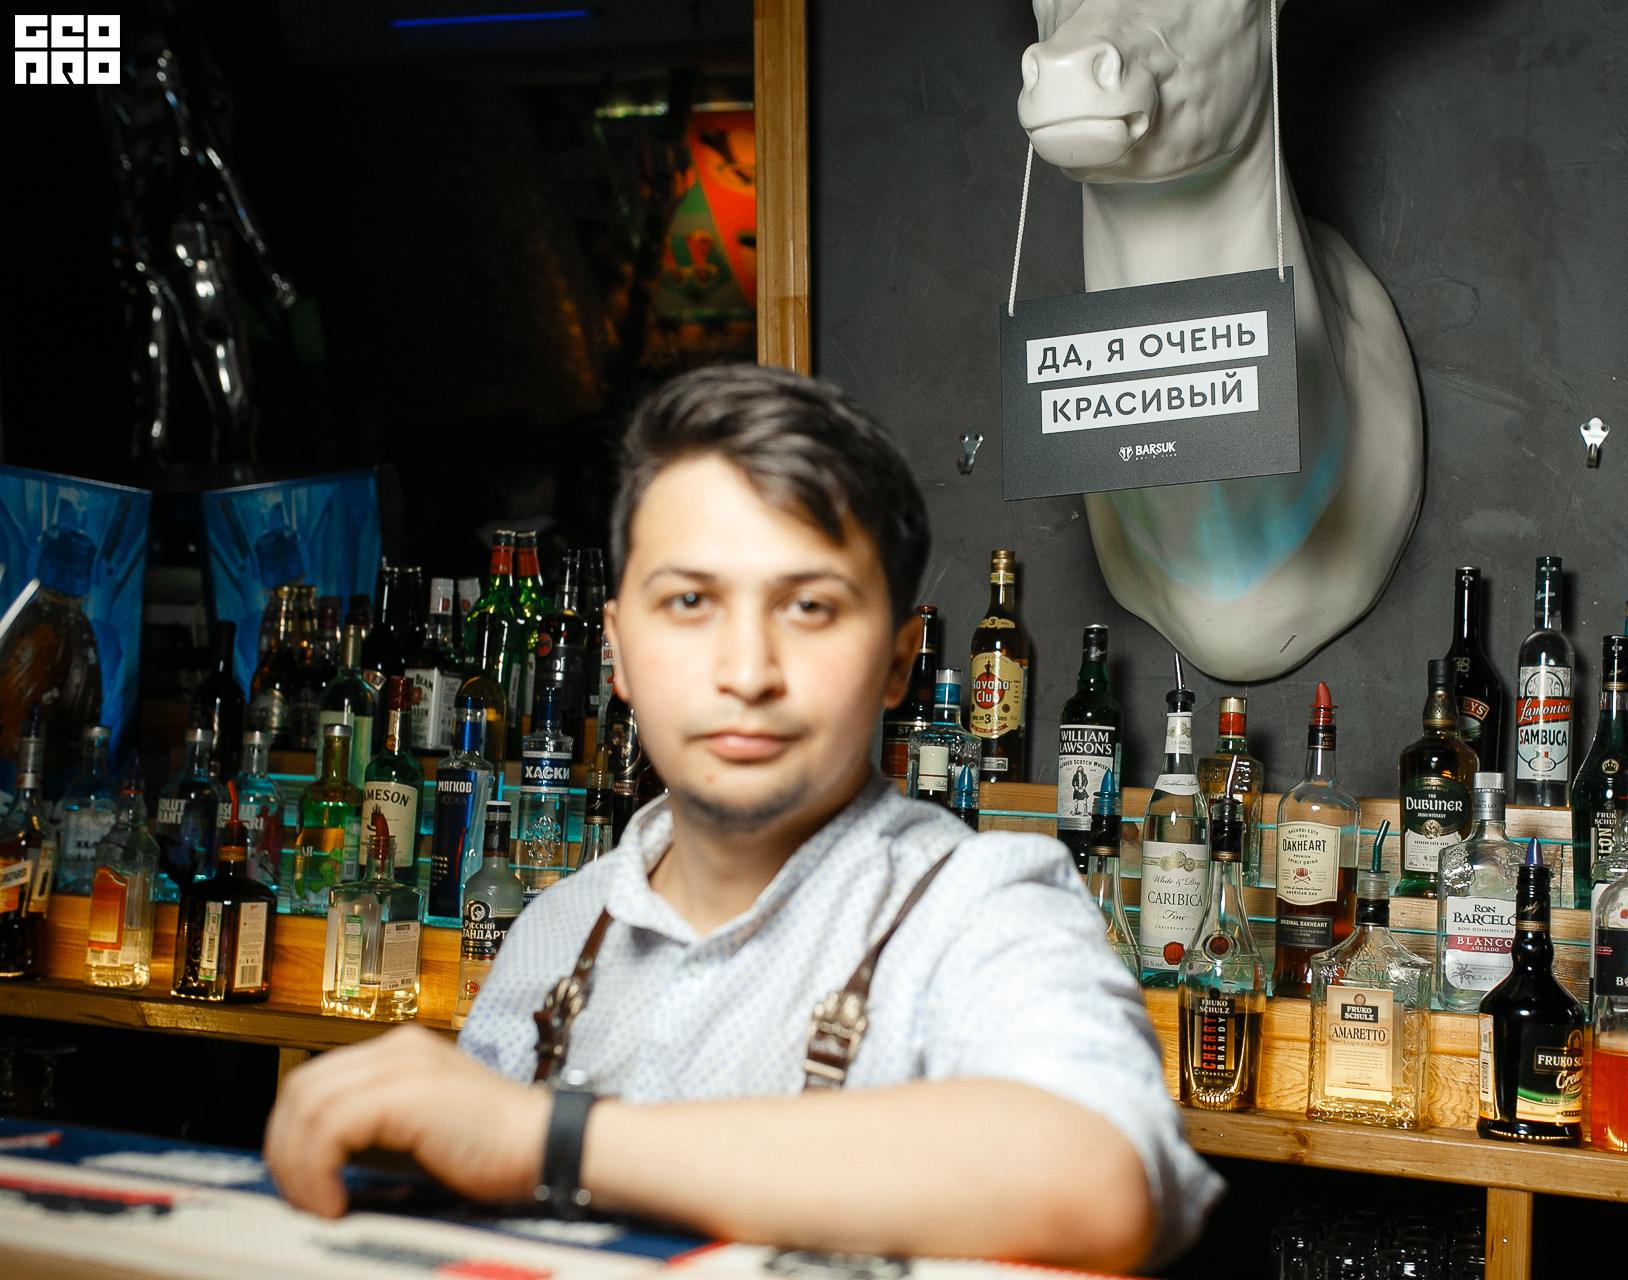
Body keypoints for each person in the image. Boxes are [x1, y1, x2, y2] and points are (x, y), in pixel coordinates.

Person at [264, 365, 1222, 1270]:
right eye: (690, 600)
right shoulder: (556, 929)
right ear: (618, 653)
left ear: (898, 663)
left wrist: (551, 1139)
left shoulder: (982, 905)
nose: (747, 671)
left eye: (809, 606)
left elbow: (1099, 1176)